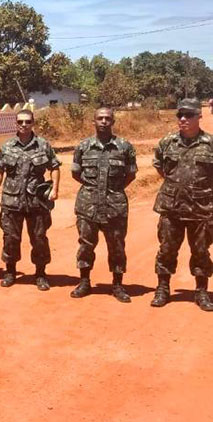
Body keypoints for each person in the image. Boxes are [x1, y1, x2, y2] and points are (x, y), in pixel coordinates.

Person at [150, 98, 213, 311]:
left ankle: (201, 292)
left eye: (188, 115)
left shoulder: (210, 144)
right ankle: (162, 289)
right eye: (180, 115)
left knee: (201, 251)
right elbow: (160, 166)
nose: (183, 119)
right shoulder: (167, 142)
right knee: (166, 249)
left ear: (199, 116)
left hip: (201, 208)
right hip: (171, 207)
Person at [70, 107, 137, 302]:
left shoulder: (124, 147)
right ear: (94, 121)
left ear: (113, 121)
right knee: (86, 245)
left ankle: (117, 285)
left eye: (108, 118)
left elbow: (131, 174)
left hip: (114, 205)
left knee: (117, 246)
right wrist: (93, 189)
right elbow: (76, 173)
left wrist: (113, 189)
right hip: (87, 205)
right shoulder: (83, 147)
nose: (104, 121)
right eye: (100, 118)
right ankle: (84, 282)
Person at [0, 109, 61, 290]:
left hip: (37, 202)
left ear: (33, 123)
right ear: (16, 124)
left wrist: (55, 188)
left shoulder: (43, 145)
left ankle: (40, 274)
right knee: (11, 238)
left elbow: (54, 166)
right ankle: (10, 272)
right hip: (12, 201)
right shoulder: (7, 146)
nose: (24, 125)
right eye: (20, 122)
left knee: (38, 238)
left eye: (27, 122)